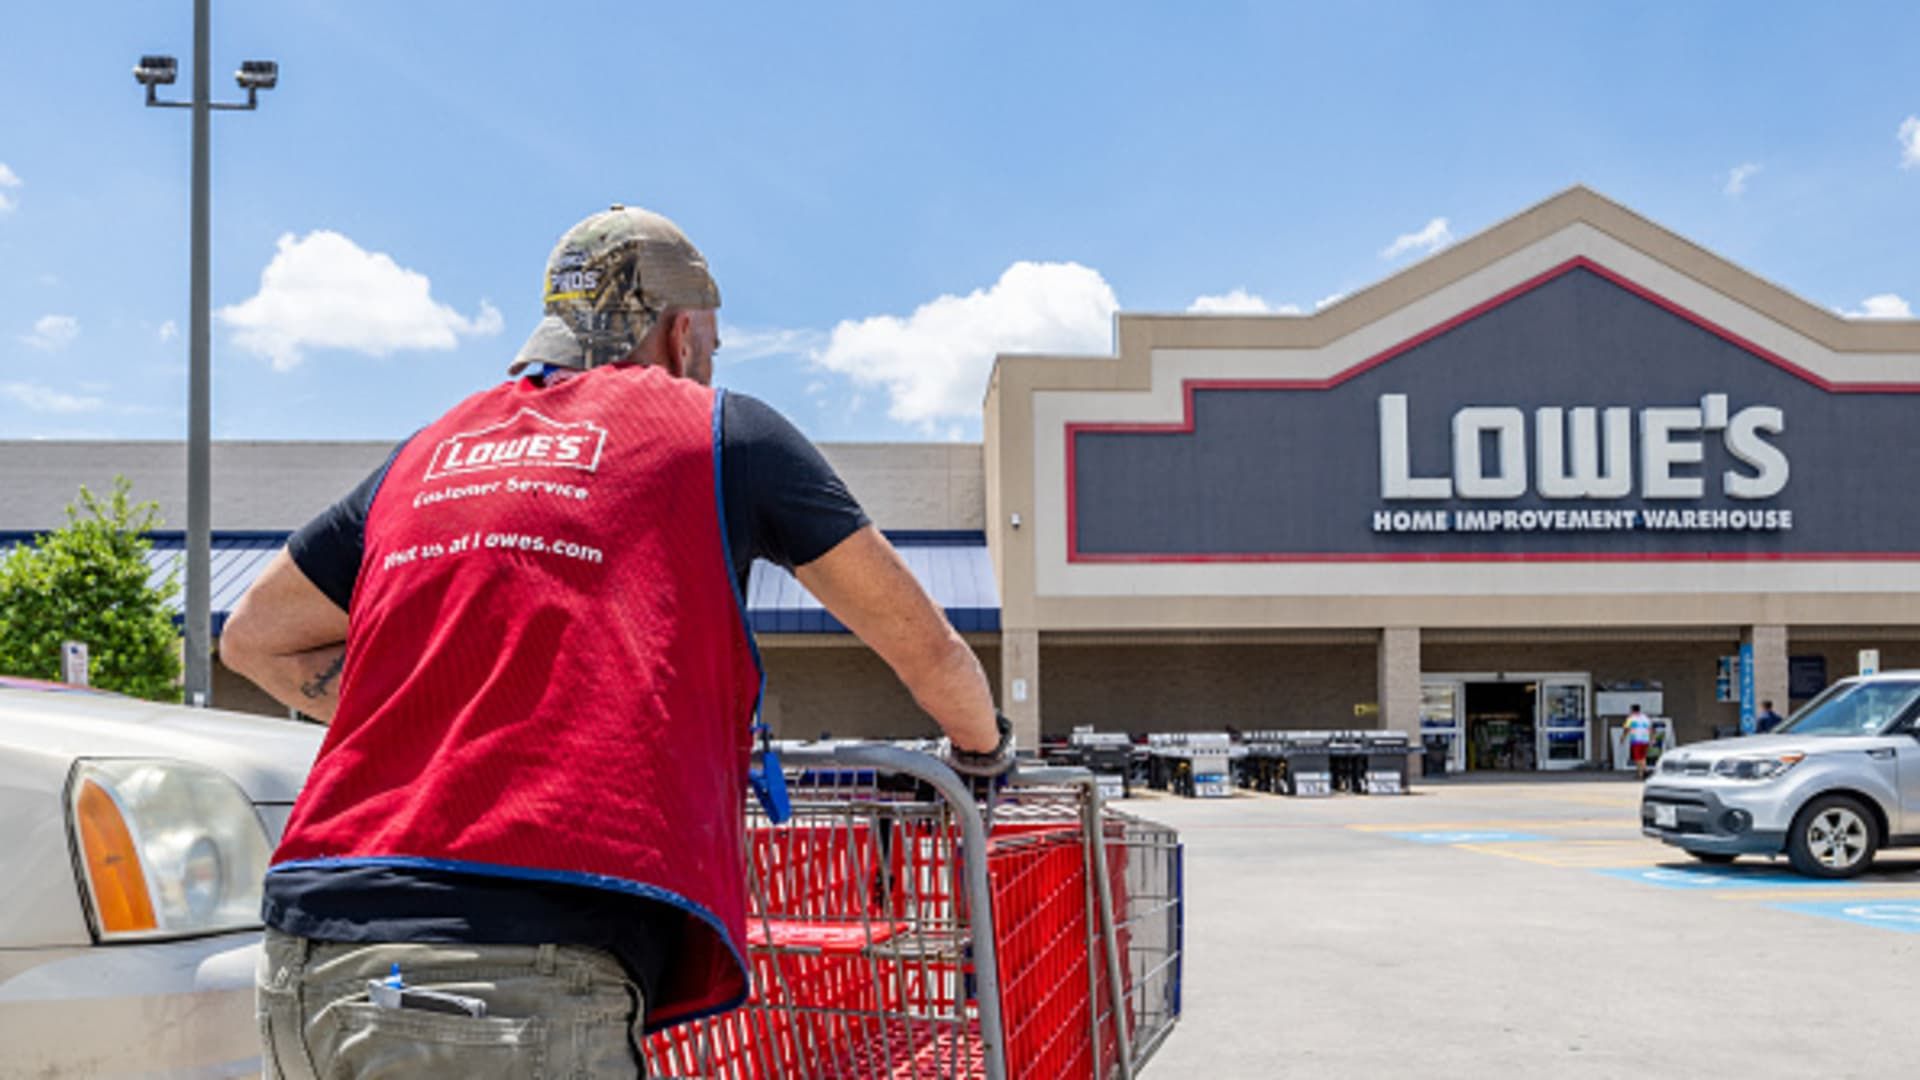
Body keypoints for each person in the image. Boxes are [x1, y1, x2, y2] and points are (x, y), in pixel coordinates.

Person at [219, 204, 1014, 1078]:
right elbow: (926, 649)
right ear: (682, 335)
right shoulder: (723, 434)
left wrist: (430, 716)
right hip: (505, 977)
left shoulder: (429, 452)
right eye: (711, 345)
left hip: (309, 957)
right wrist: (982, 749)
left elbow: (255, 640)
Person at [1623, 704, 1653, 779]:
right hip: (1645, 740)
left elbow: (1626, 729)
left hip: (1636, 740)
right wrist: (1651, 738)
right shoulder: (1645, 718)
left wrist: (1623, 737)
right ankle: (1644, 771)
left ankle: (1641, 773)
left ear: (1632, 710)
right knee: (1643, 757)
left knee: (1637, 758)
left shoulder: (1631, 718)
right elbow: (1650, 729)